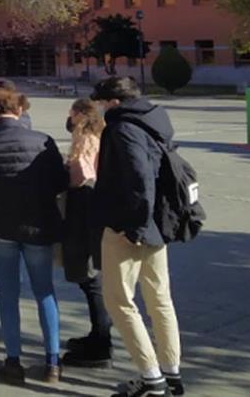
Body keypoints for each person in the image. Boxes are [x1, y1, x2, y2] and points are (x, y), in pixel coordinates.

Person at [0, 87, 68, 384]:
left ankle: (13, 359)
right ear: (20, 110)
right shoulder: (43, 141)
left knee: (7, 294)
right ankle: (52, 361)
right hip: (38, 224)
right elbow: (60, 182)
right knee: (45, 291)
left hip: (0, 225)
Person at [91, 76, 183, 397]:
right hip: (158, 223)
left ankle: (151, 377)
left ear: (114, 102)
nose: (100, 108)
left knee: (118, 300)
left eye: (102, 102)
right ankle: (171, 371)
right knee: (160, 299)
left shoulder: (122, 128)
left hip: (128, 226)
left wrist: (134, 227)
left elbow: (138, 178)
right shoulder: (154, 120)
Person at [61, 98, 114, 368]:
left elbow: (81, 173)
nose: (69, 120)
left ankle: (102, 344)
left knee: (91, 279)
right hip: (95, 210)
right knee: (93, 278)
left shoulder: (85, 139)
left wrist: (64, 172)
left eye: (71, 115)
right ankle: (98, 333)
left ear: (80, 116)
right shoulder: (101, 135)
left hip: (84, 210)